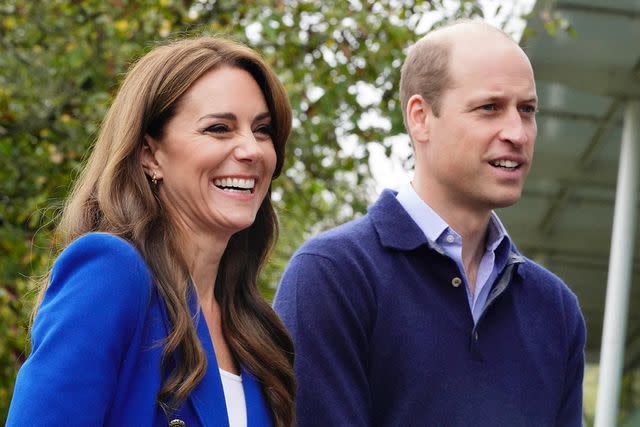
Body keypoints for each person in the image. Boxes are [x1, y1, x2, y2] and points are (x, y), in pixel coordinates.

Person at [274, 20, 585, 426]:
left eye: (527, 110)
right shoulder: (333, 276)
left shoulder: (556, 309)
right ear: (420, 117)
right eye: (489, 107)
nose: (517, 133)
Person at [8, 36, 295, 426]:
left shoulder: (255, 331)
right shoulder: (111, 272)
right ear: (149, 154)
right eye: (218, 128)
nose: (252, 150)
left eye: (262, 130)